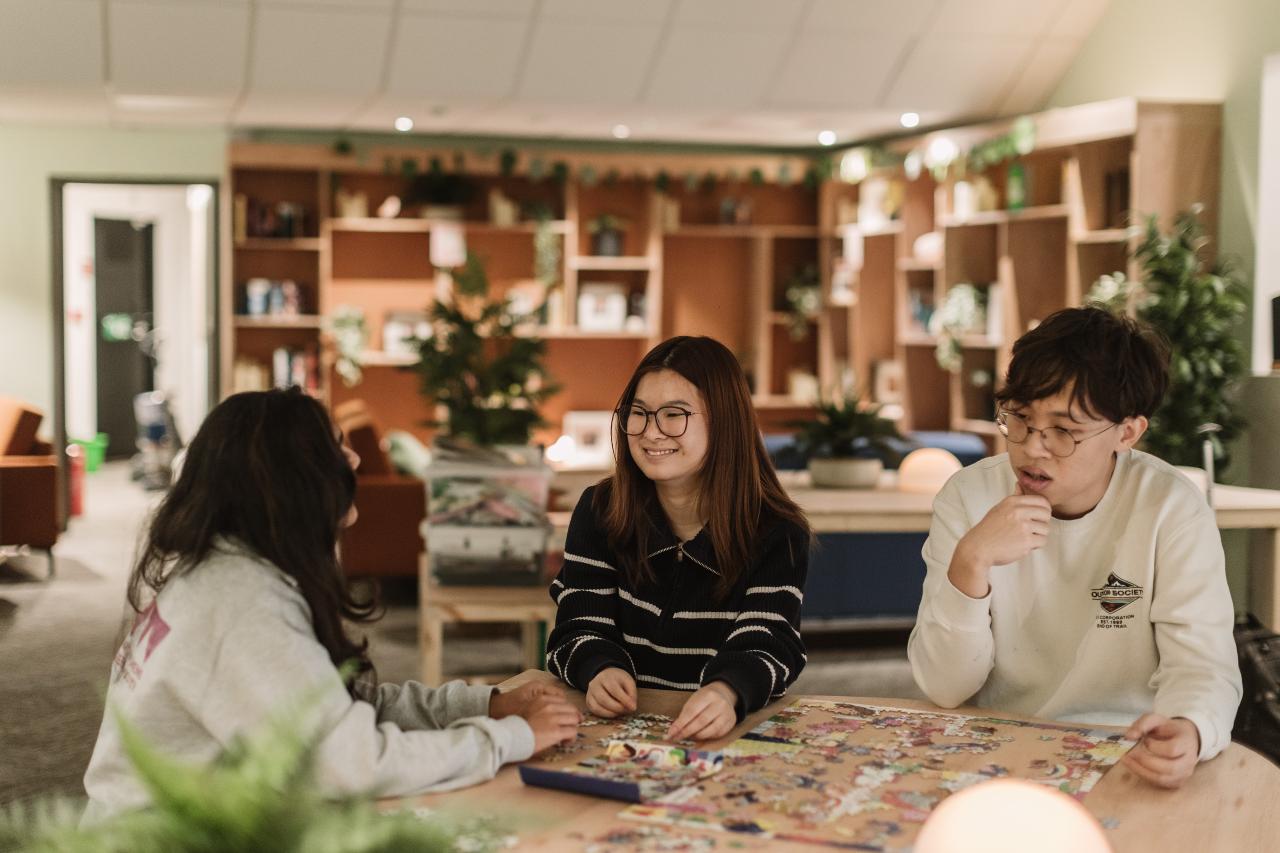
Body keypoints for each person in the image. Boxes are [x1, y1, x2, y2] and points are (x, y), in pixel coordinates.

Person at [83, 388, 579, 821]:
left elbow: (342, 708)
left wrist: (489, 705)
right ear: (291, 480)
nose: (355, 460)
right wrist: (513, 738)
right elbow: (352, 763)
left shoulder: (229, 569)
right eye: (334, 449)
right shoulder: (241, 605)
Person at [907, 306, 1242, 789]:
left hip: (1124, 750)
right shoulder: (969, 497)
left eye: (1064, 430)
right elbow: (944, 687)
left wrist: (1191, 727)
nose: (1033, 447)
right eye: (1019, 418)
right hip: (995, 753)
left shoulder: (1170, 508)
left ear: (1127, 433)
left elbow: (1203, 665)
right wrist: (970, 561)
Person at [545, 336, 812, 742]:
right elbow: (578, 625)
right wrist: (598, 668)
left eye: (674, 414)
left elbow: (768, 643)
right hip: (615, 735)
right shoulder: (600, 509)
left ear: (724, 421)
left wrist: (726, 693)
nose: (652, 432)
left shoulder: (776, 531)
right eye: (639, 413)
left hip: (726, 737)